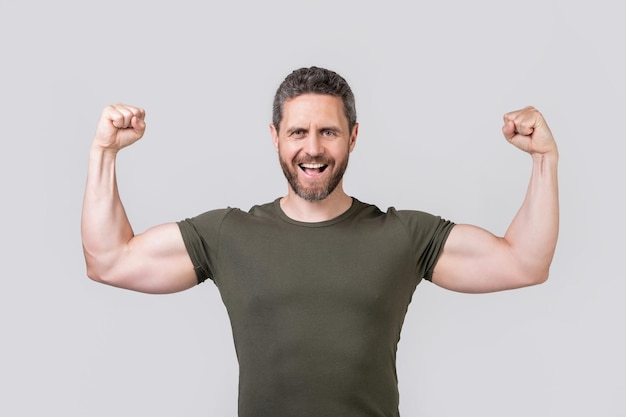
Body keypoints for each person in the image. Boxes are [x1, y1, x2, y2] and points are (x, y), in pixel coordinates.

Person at [81, 66, 559, 417]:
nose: (312, 148)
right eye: (298, 132)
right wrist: (104, 153)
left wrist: (544, 162)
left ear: (352, 137)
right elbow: (110, 260)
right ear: (275, 138)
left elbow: (524, 262)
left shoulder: (403, 236)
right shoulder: (228, 235)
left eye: (328, 131)